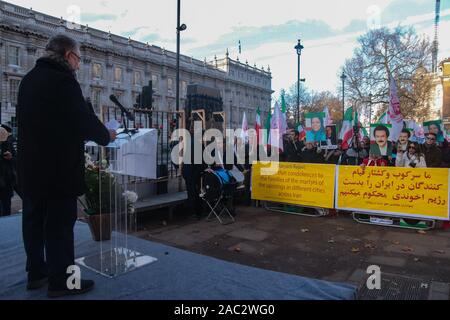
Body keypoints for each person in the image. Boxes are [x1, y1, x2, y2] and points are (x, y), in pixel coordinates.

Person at [17, 35, 115, 298]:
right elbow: (82, 120)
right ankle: (62, 281)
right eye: (79, 59)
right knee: (60, 225)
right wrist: (107, 136)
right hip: (58, 169)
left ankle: (36, 273)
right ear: (69, 55)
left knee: (33, 220)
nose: (79, 65)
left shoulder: (28, 80)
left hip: (30, 167)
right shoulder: (64, 81)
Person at [0, 126, 17, 216]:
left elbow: (16, 159)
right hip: (4, 178)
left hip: (7, 179)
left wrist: (10, 158)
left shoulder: (8, 144)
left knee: (6, 205)